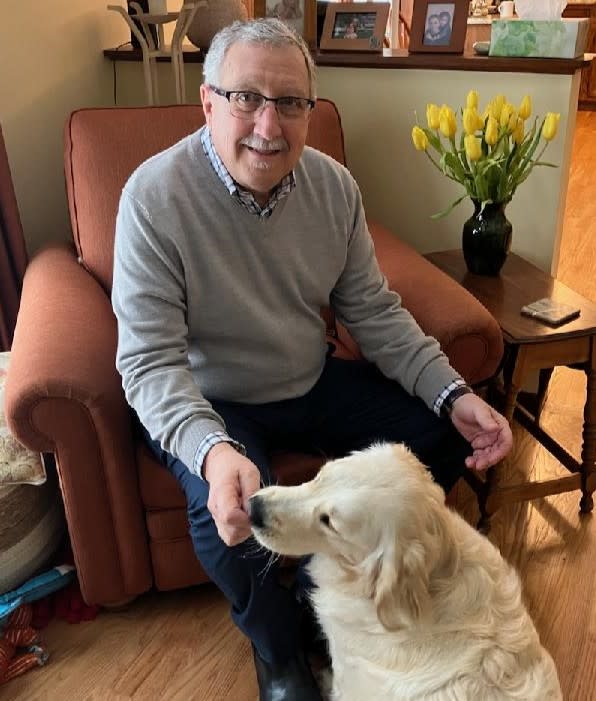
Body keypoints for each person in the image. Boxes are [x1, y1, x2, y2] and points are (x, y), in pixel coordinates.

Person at [112, 17, 513, 701]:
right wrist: (212, 451)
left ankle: (333, 598)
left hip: (309, 376)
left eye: (291, 103)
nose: (269, 124)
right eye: (246, 98)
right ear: (208, 102)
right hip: (212, 401)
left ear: (311, 111)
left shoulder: (333, 188)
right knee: (232, 514)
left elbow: (375, 314)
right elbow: (148, 363)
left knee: (440, 435)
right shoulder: (153, 197)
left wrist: (455, 394)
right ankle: (278, 650)